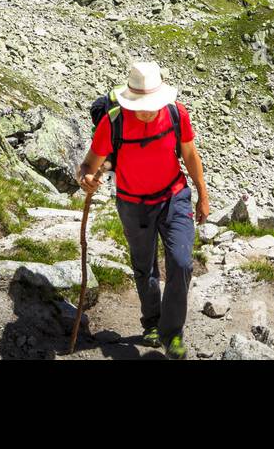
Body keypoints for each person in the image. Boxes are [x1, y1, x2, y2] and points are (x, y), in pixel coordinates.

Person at [77, 61, 211, 360]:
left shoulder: (176, 113)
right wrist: (86, 177)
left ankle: (172, 331)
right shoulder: (113, 122)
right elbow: (89, 165)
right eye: (141, 104)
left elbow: (189, 154)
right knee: (144, 267)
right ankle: (151, 322)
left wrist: (203, 195)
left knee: (181, 262)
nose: (147, 110)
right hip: (132, 202)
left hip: (174, 196)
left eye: (152, 104)